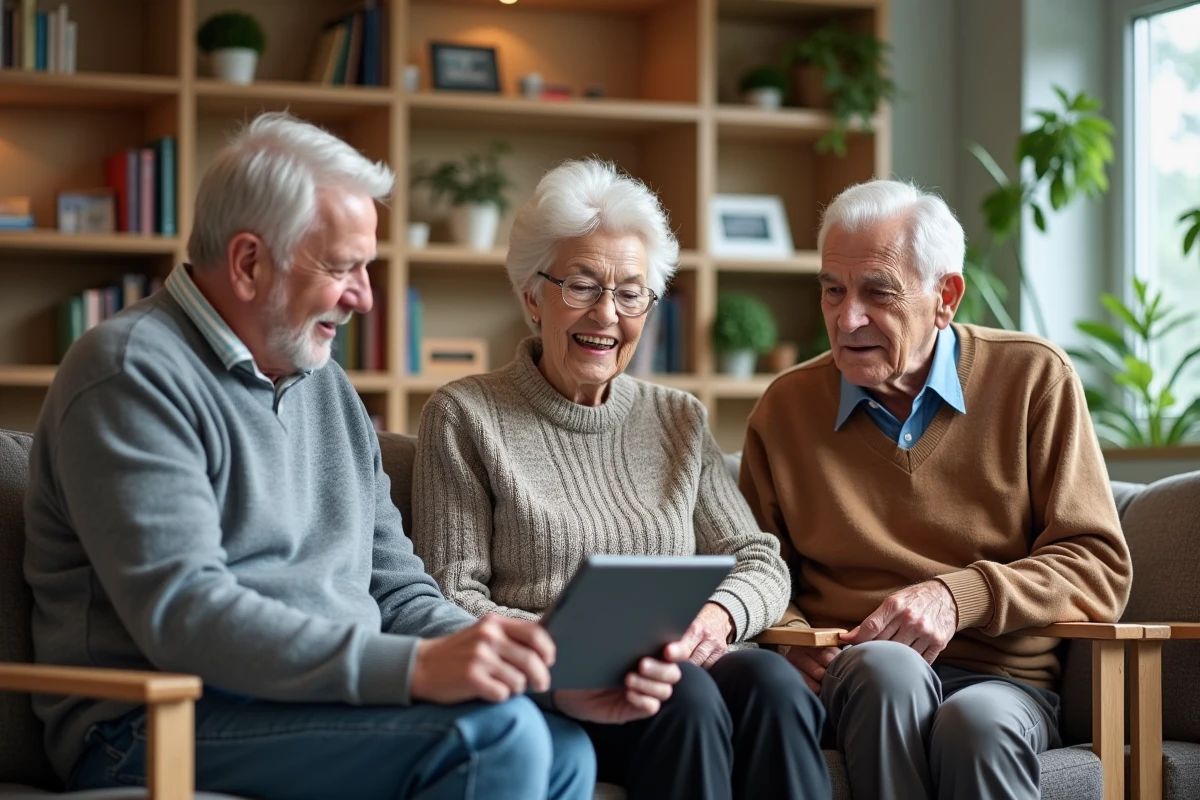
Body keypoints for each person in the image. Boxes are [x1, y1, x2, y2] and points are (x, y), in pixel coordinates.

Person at [24, 112, 685, 800]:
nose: (364, 298)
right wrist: (413, 670)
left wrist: (540, 672)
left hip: (319, 706)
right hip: (153, 722)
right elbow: (187, 615)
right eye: (343, 267)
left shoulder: (327, 389)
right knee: (493, 738)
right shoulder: (131, 372)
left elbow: (399, 592)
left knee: (562, 745)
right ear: (249, 262)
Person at [411, 158, 831, 800]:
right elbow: (449, 594)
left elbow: (760, 560)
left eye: (631, 293)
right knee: (686, 697)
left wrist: (716, 619)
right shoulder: (465, 415)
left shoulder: (677, 419)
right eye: (581, 285)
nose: (606, 314)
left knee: (774, 687)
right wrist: (565, 644)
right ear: (532, 294)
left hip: (676, 663)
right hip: (562, 682)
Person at [738, 178, 1133, 800]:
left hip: (1004, 680)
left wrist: (958, 597)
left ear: (945, 296)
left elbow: (1097, 569)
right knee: (888, 668)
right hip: (855, 673)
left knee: (976, 725)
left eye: (878, 292)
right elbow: (757, 565)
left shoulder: (1032, 377)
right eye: (833, 291)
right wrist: (787, 637)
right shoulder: (786, 407)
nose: (848, 318)